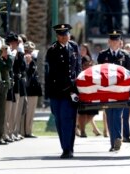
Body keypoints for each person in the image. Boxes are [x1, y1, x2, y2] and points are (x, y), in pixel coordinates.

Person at [45, 24, 81, 159]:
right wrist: (70, 88)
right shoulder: (53, 50)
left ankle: (68, 149)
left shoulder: (74, 47)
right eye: (61, 35)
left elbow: (77, 67)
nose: (64, 37)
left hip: (70, 92)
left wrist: (76, 88)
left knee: (68, 120)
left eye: (66, 34)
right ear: (57, 36)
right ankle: (65, 146)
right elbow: (56, 73)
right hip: (57, 90)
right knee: (59, 121)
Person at [97, 30, 130, 152]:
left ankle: (117, 138)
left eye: (116, 40)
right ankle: (113, 143)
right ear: (109, 42)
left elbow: (129, 73)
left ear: (120, 42)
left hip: (120, 91)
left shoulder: (126, 55)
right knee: (109, 116)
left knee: (117, 114)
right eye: (112, 40)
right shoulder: (102, 55)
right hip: (107, 91)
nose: (114, 42)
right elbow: (98, 72)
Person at [76, 43, 102, 137]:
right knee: (82, 113)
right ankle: (82, 131)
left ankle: (79, 126)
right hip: (82, 93)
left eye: (89, 64)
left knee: (93, 113)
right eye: (85, 65)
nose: (87, 66)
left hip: (93, 93)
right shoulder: (78, 68)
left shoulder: (93, 67)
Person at [24, 42, 42, 137]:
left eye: (30, 51)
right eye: (27, 51)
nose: (29, 53)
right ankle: (26, 131)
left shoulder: (32, 61)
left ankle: (29, 130)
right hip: (28, 89)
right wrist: (32, 61)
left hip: (34, 89)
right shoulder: (26, 60)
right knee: (28, 111)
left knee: (31, 112)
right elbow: (28, 73)